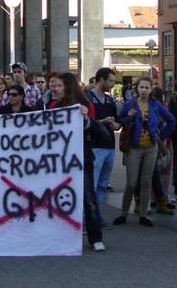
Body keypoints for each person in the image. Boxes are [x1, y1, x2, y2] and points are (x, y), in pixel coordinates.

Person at [48, 72, 105, 251]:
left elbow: (97, 132)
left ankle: (95, 237)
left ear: (68, 87)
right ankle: (61, 235)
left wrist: (86, 119)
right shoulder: (53, 106)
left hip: (82, 159)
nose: (55, 88)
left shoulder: (86, 106)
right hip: (59, 160)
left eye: (59, 85)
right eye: (53, 85)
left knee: (88, 199)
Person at [114, 77, 175, 227]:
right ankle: (123, 212)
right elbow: (120, 120)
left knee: (146, 181)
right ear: (137, 88)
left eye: (147, 88)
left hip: (150, 147)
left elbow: (171, 120)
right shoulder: (130, 104)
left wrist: (160, 136)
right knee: (131, 183)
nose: (144, 90)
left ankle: (143, 213)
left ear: (151, 90)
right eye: (141, 87)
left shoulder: (156, 105)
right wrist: (129, 117)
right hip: (134, 148)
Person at [86, 68, 120, 221]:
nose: (113, 84)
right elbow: (86, 122)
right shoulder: (88, 98)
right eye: (111, 81)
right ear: (101, 80)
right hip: (95, 146)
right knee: (91, 185)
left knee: (102, 184)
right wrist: (101, 122)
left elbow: (118, 121)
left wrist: (116, 125)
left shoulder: (110, 100)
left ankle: (97, 217)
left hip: (110, 146)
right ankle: (88, 219)